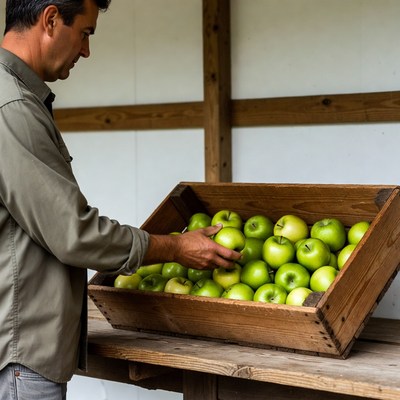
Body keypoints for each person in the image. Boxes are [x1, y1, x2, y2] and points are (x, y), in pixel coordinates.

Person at [0, 0, 241, 398]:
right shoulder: (14, 108)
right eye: (85, 33)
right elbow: (73, 233)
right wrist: (174, 247)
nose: (86, 51)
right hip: (20, 354)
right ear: (51, 19)